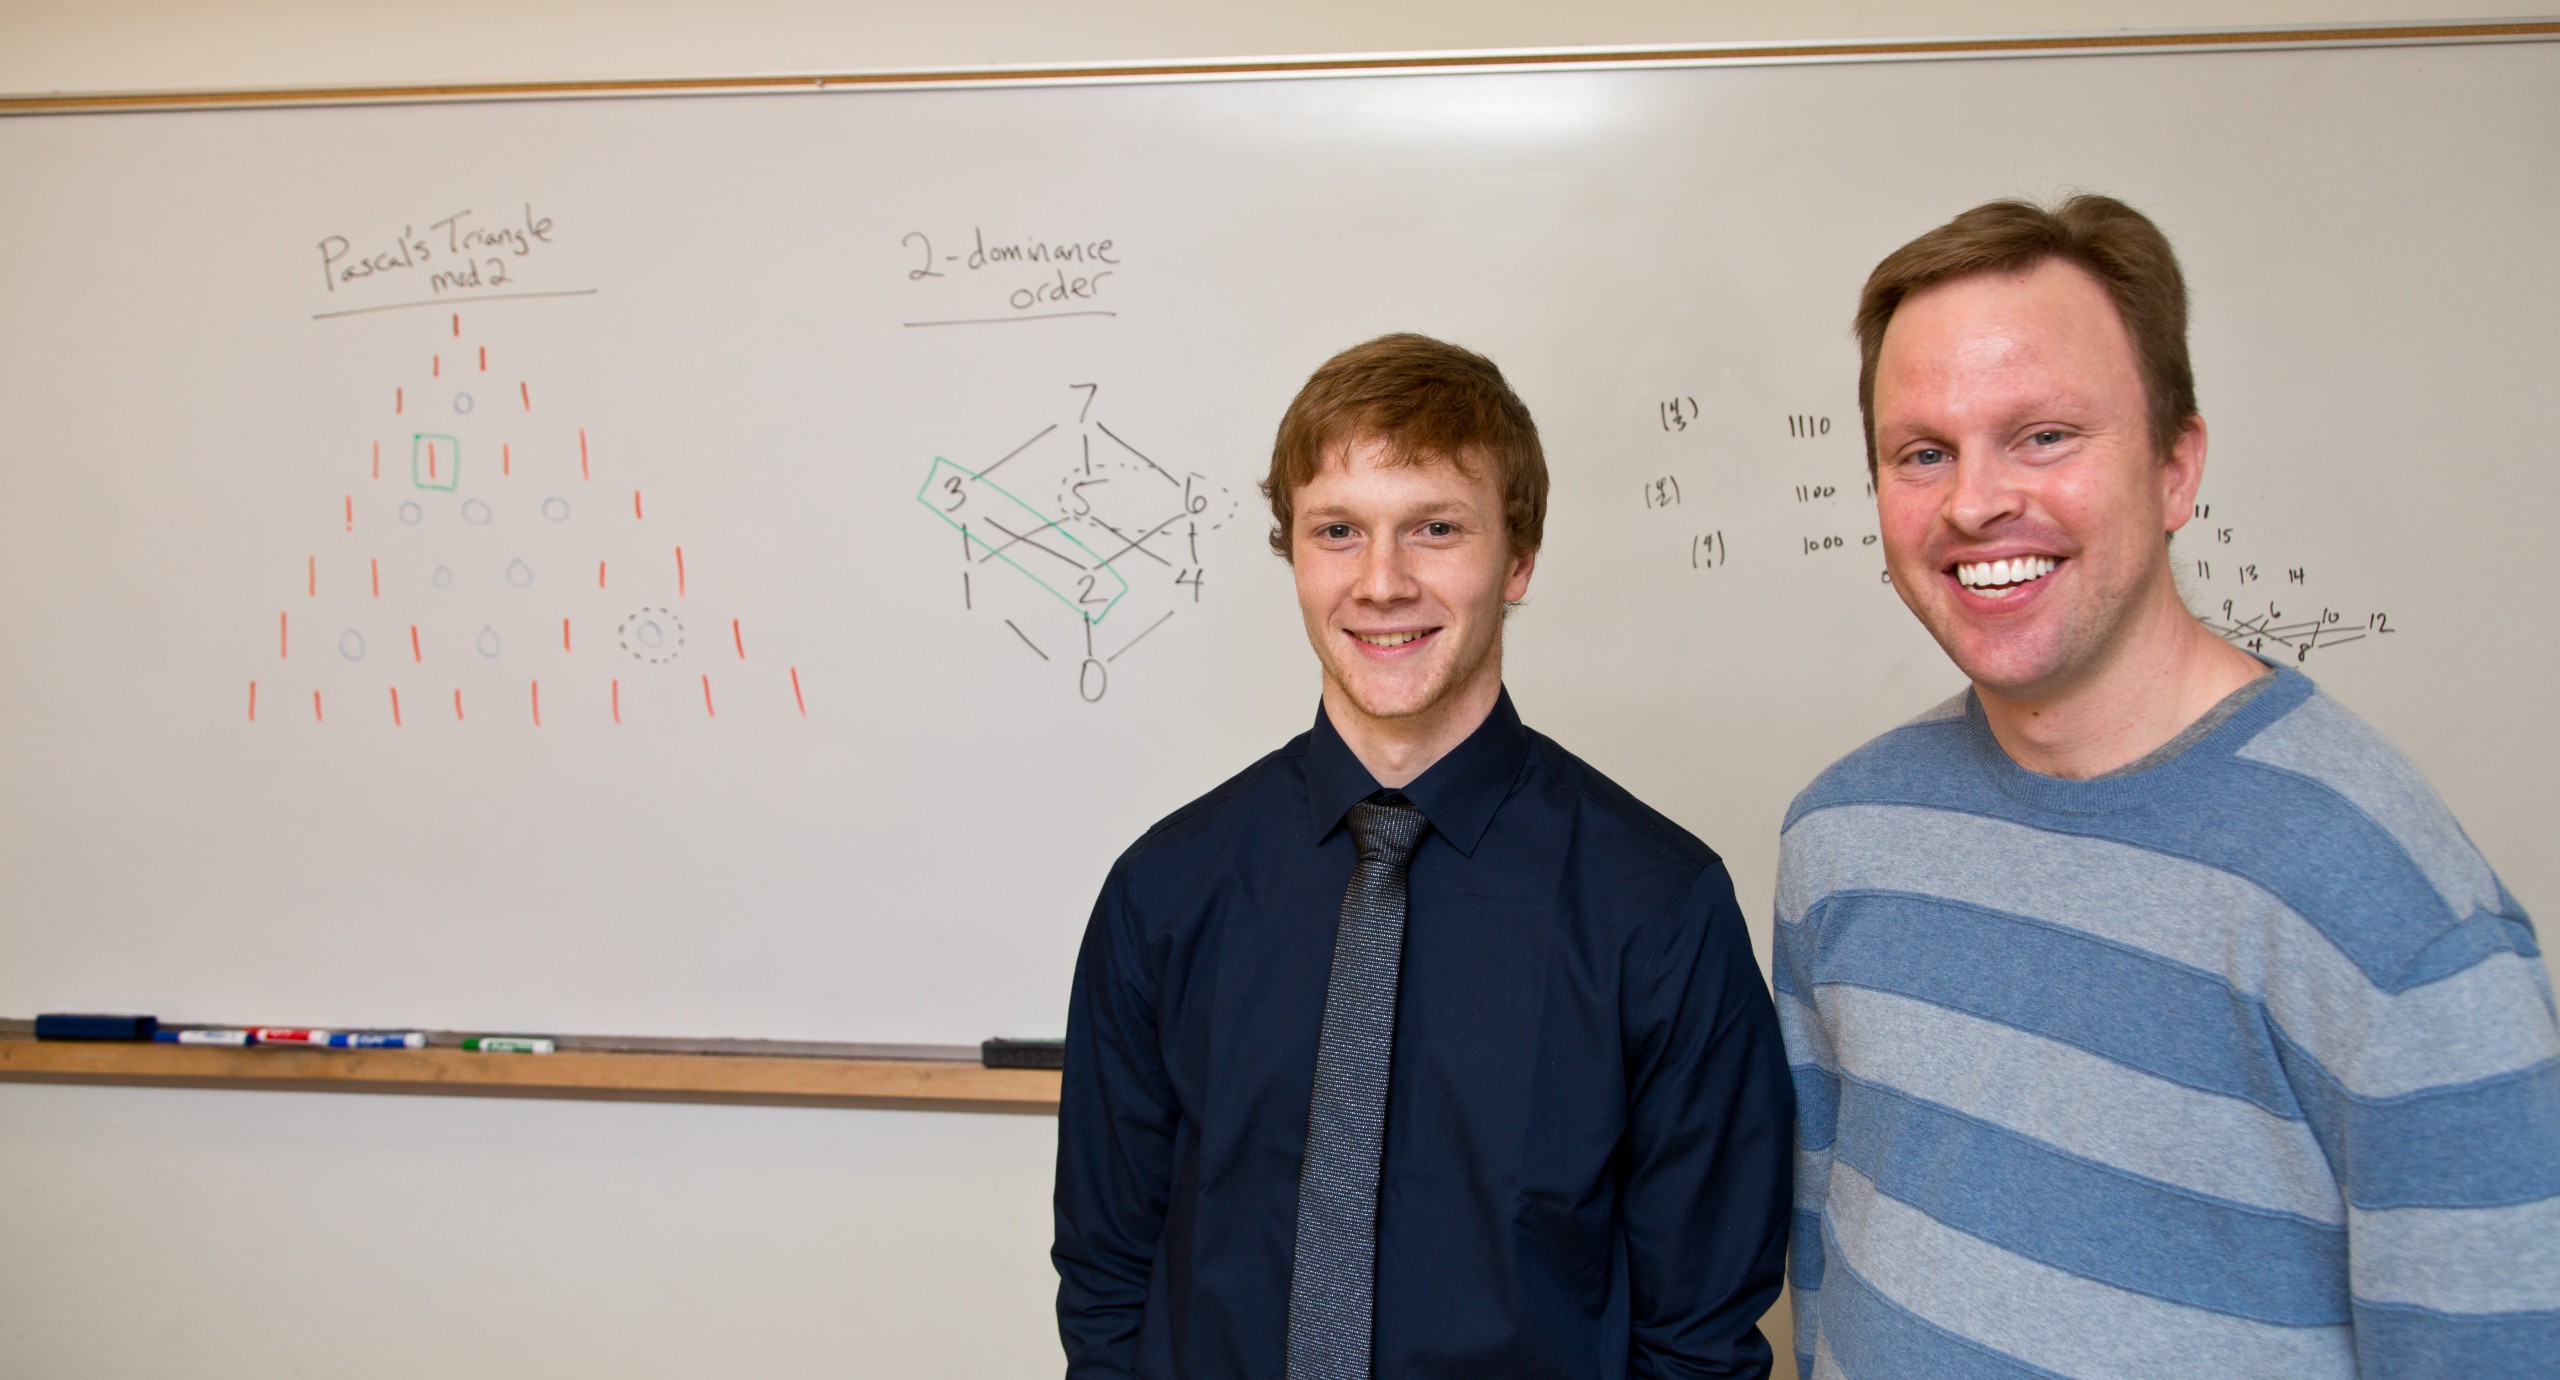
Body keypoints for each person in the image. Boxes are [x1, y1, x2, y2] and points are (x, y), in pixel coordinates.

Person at [1777, 195, 2560, 1377]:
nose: (1974, 501)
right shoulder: (1842, 834)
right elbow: (1825, 1254)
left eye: (2043, 434)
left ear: (2175, 466)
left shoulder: (2387, 903)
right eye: (1920, 452)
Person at [1054, 333, 1794, 1378]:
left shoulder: (1658, 909)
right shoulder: (1164, 892)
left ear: (1518, 558)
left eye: (1435, 528)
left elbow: (1699, 1340)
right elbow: (1107, 1278)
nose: (1381, 581)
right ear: (1295, 556)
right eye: (1338, 531)